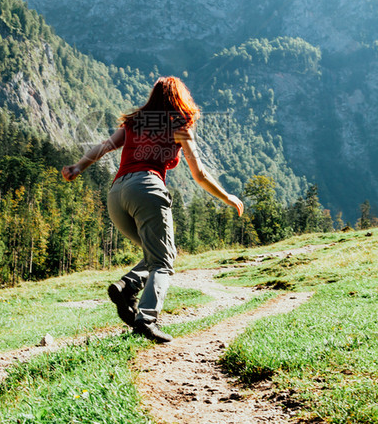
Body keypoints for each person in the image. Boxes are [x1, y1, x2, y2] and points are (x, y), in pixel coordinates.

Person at [61, 76, 243, 343]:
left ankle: (127, 287)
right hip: (147, 189)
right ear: (180, 99)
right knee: (163, 260)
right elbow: (200, 174)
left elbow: (104, 147)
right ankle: (146, 319)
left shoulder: (134, 122)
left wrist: (78, 167)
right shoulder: (179, 126)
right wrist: (226, 196)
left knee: (157, 252)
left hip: (116, 195)